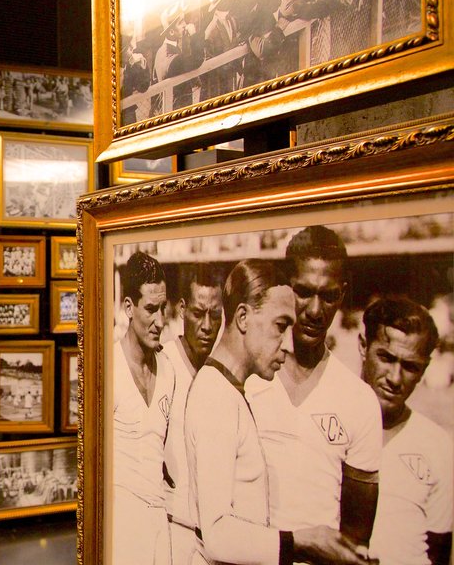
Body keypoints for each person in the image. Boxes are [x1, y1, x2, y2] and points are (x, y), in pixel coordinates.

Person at [184, 259, 372, 565]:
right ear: (243, 317)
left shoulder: (228, 390)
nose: (287, 345)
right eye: (280, 327)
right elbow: (218, 535)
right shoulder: (214, 396)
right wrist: (305, 542)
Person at [247, 226, 381, 550]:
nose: (315, 310)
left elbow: (355, 541)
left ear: (343, 294)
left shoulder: (359, 401)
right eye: (304, 292)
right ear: (283, 287)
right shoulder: (247, 381)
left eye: (329, 295)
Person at [359, 297, 452, 565]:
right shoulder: (328, 423)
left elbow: (438, 552)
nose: (395, 378)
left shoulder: (437, 445)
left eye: (410, 366)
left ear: (424, 370)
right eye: (386, 358)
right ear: (363, 347)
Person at [111, 250, 175, 565]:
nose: (159, 321)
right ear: (128, 307)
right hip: (119, 528)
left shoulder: (168, 370)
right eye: (151, 309)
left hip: (159, 526)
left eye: (163, 308)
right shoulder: (107, 368)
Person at [162, 263, 224, 565]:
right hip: (174, 528)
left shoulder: (224, 371)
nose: (207, 326)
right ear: (182, 309)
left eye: (215, 314)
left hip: (217, 538)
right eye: (199, 313)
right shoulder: (162, 367)